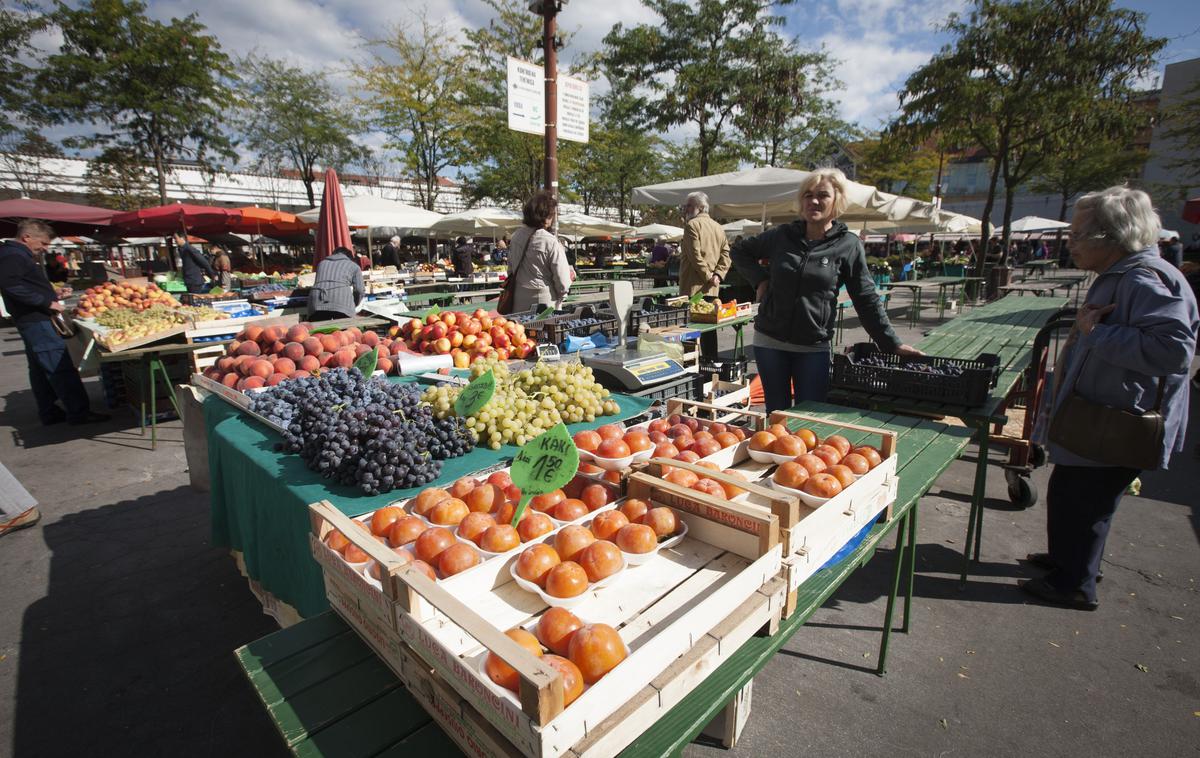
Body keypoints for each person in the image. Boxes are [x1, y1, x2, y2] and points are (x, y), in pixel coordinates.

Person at [1021, 186, 1198, 611]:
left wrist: (1097, 334)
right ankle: (1071, 560)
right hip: (1097, 417)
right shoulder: (1123, 275)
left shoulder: (1144, 279)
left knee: (1088, 499)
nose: (1071, 244)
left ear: (1111, 236)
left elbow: (1174, 350)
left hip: (1115, 422)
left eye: (1079, 235)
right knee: (1072, 492)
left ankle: (1075, 583)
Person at [731, 168, 921, 413]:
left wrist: (892, 343)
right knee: (776, 417)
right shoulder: (782, 236)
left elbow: (865, 298)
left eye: (822, 195)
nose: (814, 201)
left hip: (813, 347)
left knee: (809, 417)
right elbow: (739, 251)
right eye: (808, 195)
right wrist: (760, 280)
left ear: (837, 200)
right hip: (770, 342)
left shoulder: (848, 245)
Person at [0, 219, 109, 426]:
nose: (44, 248)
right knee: (59, 365)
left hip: (32, 319)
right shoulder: (13, 255)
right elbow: (10, 286)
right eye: (43, 243)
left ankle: (48, 411)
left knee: (40, 369)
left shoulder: (15, 254)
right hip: (37, 320)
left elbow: (22, 284)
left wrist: (53, 292)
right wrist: (46, 302)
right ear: (27, 237)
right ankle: (79, 413)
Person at [679, 191, 731, 360]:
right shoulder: (718, 227)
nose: (686, 209)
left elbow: (695, 256)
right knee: (710, 331)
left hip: (693, 288)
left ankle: (690, 365)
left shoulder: (692, 225)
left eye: (689, 205)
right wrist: (718, 275)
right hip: (712, 289)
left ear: (700, 207)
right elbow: (726, 255)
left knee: (689, 330)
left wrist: (709, 275)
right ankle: (712, 364)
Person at [507, 191, 573, 312]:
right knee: (543, 330)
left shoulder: (516, 236)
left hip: (518, 298)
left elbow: (510, 269)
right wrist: (563, 294)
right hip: (543, 301)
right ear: (547, 216)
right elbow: (562, 280)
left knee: (520, 330)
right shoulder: (550, 241)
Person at [307, 246, 364, 321]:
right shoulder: (354, 266)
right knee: (345, 331)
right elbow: (359, 290)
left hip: (316, 301)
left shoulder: (321, 264)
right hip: (342, 301)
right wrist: (354, 304)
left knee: (319, 330)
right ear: (350, 257)